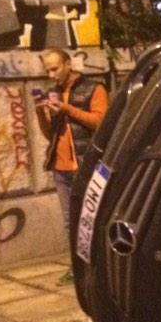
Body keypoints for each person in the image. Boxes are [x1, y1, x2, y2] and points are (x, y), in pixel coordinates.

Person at [36, 49, 109, 283]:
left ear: (68, 64)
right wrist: (40, 113)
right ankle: (77, 269)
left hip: (85, 165)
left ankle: (99, 268)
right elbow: (51, 134)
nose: (51, 75)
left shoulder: (93, 89)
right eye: (47, 70)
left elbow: (101, 123)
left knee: (92, 220)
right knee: (70, 223)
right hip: (61, 167)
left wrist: (68, 109)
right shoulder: (54, 92)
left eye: (55, 68)